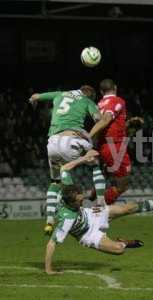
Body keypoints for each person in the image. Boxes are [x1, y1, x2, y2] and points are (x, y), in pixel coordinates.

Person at [45, 150, 153, 275]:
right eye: (79, 201)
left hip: (91, 215)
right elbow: (51, 244)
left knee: (128, 208)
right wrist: (48, 269)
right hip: (87, 234)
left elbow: (64, 168)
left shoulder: (68, 189)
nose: (83, 200)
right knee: (119, 250)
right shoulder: (67, 219)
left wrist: (84, 158)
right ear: (72, 203)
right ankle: (124, 242)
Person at [29, 87, 108, 235]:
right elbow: (99, 120)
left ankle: (49, 221)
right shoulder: (87, 101)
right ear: (90, 94)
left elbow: (35, 96)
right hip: (71, 139)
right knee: (95, 161)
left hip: (52, 143)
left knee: (55, 181)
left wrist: (33, 101)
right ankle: (101, 202)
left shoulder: (59, 94)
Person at [89, 79, 143, 204]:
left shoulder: (99, 104)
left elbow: (108, 127)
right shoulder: (117, 101)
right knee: (122, 185)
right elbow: (106, 120)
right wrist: (88, 136)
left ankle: (96, 190)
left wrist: (128, 123)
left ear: (101, 91)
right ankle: (98, 211)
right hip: (115, 147)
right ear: (115, 87)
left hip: (104, 146)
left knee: (109, 174)